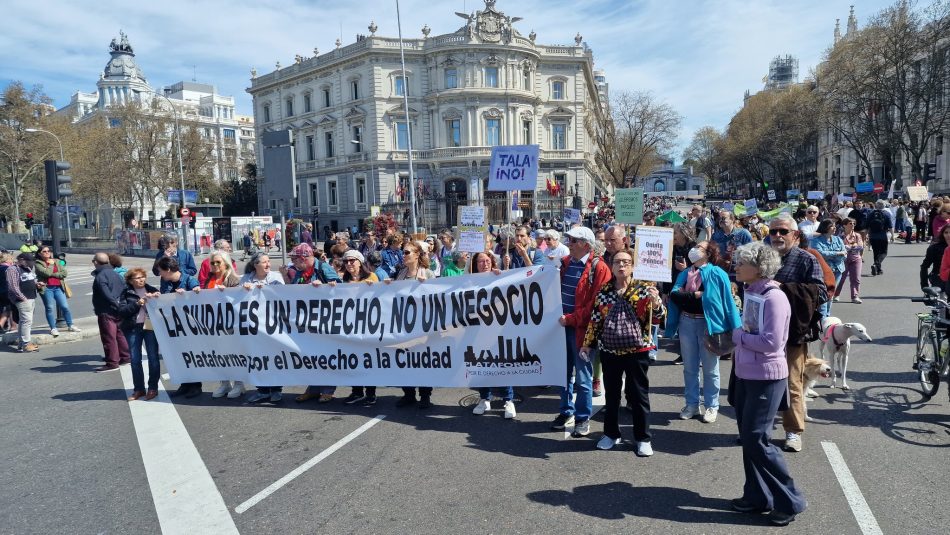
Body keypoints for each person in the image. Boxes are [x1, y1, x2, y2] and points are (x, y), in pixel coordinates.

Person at [730, 242, 807, 526]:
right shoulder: (752, 291)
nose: (736, 266)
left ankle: (790, 501)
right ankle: (757, 496)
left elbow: (772, 342)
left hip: (766, 376)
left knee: (756, 439)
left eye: (741, 262)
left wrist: (737, 336)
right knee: (749, 439)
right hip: (746, 373)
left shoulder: (774, 297)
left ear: (759, 268)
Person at [581, 248, 664, 456]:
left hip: (637, 350)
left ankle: (643, 438)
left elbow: (659, 319)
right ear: (611, 265)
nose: (622, 265)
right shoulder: (605, 291)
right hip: (610, 350)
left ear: (633, 266)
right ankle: (610, 434)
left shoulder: (645, 289)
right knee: (612, 395)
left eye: (626, 262)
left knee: (639, 395)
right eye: (617, 261)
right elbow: (596, 319)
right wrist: (587, 343)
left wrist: (657, 302)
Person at [666, 241, 741, 424]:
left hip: (709, 325)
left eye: (700, 247)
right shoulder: (685, 273)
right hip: (686, 322)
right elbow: (675, 294)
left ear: (708, 253)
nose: (694, 249)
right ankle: (691, 404)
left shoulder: (718, 273)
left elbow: (728, 303)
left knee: (710, 368)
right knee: (690, 367)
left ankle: (711, 405)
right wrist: (693, 296)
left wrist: (736, 329)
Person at [768, 214, 825, 453]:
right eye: (773, 232)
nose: (778, 236)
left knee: (792, 383)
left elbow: (821, 292)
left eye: (783, 232)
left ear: (795, 235)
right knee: (761, 384)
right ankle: (759, 430)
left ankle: (793, 431)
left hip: (793, 332)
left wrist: (786, 290)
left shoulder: (806, 259)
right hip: (762, 332)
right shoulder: (763, 257)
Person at [551, 226, 612, 437]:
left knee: (583, 378)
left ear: (585, 244)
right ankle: (565, 411)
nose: (568, 242)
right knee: (563, 374)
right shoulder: (566, 263)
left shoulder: (600, 268)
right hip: (562, 327)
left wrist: (571, 319)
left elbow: (597, 305)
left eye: (572, 240)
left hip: (582, 331)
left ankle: (582, 418)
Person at [283, 243, 342, 404]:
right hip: (307, 323)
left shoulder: (323, 268)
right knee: (312, 358)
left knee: (326, 357)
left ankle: (328, 390)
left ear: (304, 258)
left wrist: (322, 287)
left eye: (295, 259)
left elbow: (341, 289)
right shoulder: (299, 273)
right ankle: (313, 389)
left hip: (326, 321)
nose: (293, 262)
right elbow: (292, 291)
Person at [467, 251, 517, 419]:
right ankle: (484, 399)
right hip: (477, 331)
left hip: (499, 329)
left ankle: (508, 400)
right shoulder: (469, 281)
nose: (485, 264)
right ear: (475, 264)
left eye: (488, 261)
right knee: (481, 364)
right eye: (481, 261)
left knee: (503, 364)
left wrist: (504, 273)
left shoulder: (499, 277)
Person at [391, 240, 437, 408]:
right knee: (404, 360)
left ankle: (425, 395)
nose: (403, 256)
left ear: (417, 254)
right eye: (403, 252)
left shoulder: (428, 274)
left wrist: (427, 287)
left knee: (422, 361)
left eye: (407, 252)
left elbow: (437, 298)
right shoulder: (401, 274)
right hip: (404, 325)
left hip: (422, 326)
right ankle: (408, 394)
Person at [195, 250, 244, 399]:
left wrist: (228, 292)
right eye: (212, 262)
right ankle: (224, 383)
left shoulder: (233, 280)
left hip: (230, 325)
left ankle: (238, 384)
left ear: (226, 264)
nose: (215, 265)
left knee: (234, 354)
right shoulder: (209, 278)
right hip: (213, 324)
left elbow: (240, 300)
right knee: (219, 354)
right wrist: (197, 291)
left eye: (218, 262)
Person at [338, 250, 382, 407]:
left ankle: (371, 393)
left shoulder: (371, 277)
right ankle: (357, 391)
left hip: (368, 327)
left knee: (369, 360)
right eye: (346, 261)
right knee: (353, 361)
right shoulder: (344, 280)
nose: (349, 264)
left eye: (352, 260)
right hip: (350, 328)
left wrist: (376, 287)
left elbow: (383, 297)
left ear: (360, 262)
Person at [157, 256, 202, 397]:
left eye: (161, 271)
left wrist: (189, 294)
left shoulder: (189, 280)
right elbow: (164, 300)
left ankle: (196, 386)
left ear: (168, 270)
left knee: (192, 355)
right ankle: (185, 384)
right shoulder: (166, 283)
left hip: (190, 326)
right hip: (175, 326)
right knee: (180, 356)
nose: (160, 274)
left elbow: (199, 296)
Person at [117, 268, 161, 401]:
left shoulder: (152, 289)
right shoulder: (126, 293)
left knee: (153, 358)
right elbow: (122, 311)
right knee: (135, 360)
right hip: (132, 327)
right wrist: (138, 303)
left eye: (143, 277)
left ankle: (153, 388)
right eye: (137, 278)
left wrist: (159, 298)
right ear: (130, 280)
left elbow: (162, 308)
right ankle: (139, 389)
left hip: (150, 327)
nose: (141, 279)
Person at [91, 252, 131, 371]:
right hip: (118, 309)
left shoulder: (100, 276)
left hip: (106, 310)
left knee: (108, 336)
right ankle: (125, 357)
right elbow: (124, 289)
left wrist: (115, 304)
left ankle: (112, 362)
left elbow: (106, 294)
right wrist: (121, 306)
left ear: (95, 262)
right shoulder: (115, 274)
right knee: (120, 334)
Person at [34, 245, 80, 337]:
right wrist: (51, 265)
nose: (47, 252)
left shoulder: (57, 261)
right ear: (39, 253)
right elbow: (46, 273)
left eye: (48, 251)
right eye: (44, 251)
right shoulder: (38, 263)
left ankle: (70, 325)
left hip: (58, 287)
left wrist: (53, 274)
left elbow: (64, 273)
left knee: (65, 307)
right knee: (49, 308)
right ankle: (53, 328)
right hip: (46, 288)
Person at [810, 220, 846, 316]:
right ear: (825, 227)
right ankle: (823, 317)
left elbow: (844, 254)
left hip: (838, 270)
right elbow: (821, 254)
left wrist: (834, 255)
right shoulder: (815, 241)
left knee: (831, 293)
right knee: (824, 293)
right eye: (832, 226)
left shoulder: (838, 239)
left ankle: (827, 315)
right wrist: (837, 253)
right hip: (824, 271)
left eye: (835, 226)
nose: (835, 228)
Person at [7, 253, 39, 352]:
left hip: (31, 297)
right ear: (21, 259)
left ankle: (22, 344)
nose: (30, 263)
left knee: (24, 321)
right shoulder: (12, 269)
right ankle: (26, 344)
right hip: (22, 299)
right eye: (28, 261)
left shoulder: (27, 268)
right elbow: (13, 286)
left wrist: (37, 284)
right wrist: (23, 298)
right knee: (27, 321)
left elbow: (30, 280)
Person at [835, 218, 864, 303]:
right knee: (841, 278)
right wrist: (852, 246)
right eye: (850, 223)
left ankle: (855, 296)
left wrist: (849, 247)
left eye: (853, 223)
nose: (852, 225)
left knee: (856, 278)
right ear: (844, 225)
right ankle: (836, 295)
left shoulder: (857, 235)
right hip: (843, 259)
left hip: (856, 258)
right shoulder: (840, 236)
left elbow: (860, 246)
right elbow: (839, 247)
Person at [866, 200, 893, 276]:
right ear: (884, 206)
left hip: (873, 236)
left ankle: (878, 269)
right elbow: (890, 226)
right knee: (884, 252)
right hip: (882, 236)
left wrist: (866, 236)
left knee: (876, 252)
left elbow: (867, 226)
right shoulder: (886, 214)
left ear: (876, 206)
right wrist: (892, 236)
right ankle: (876, 264)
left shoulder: (871, 213)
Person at [925, 225, 950, 291]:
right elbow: (924, 266)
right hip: (939, 281)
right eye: (946, 233)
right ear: (942, 234)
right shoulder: (934, 248)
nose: (948, 235)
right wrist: (924, 285)